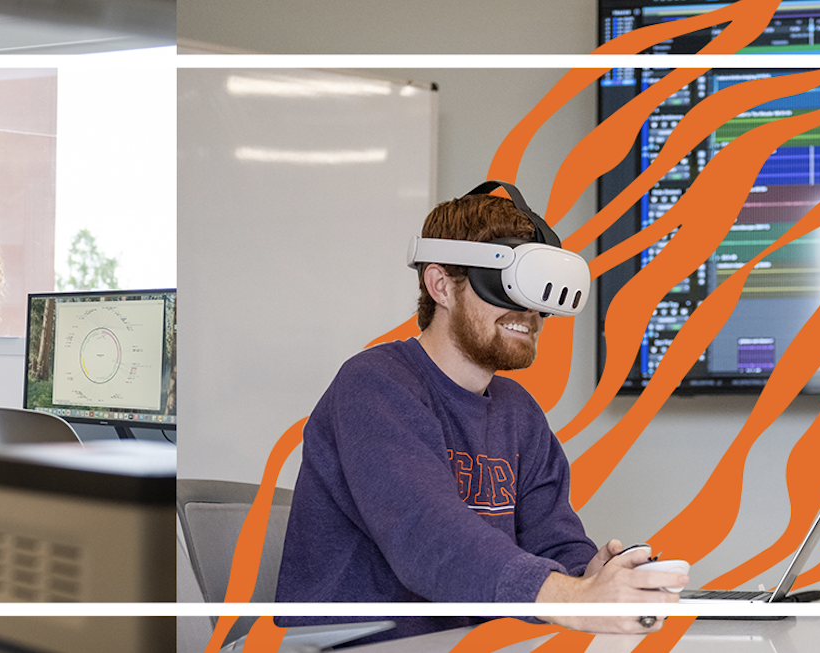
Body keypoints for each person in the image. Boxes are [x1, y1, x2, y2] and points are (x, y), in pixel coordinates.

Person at [273, 186, 686, 644]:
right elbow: (429, 540)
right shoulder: (375, 385)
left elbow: (552, 542)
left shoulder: (518, 414)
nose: (529, 311)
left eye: (537, 293)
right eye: (508, 286)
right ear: (441, 285)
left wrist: (589, 574)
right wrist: (572, 598)